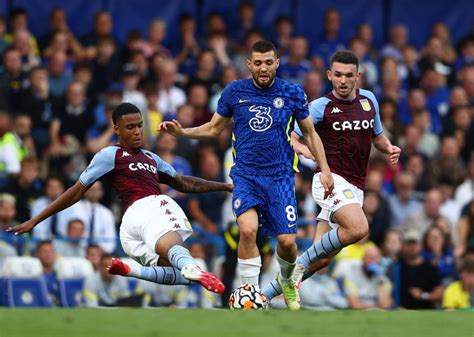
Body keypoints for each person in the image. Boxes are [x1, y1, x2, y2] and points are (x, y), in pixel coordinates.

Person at [159, 40, 334, 310]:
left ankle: (287, 280)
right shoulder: (234, 92)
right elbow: (213, 128)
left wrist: (324, 169)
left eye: (268, 62)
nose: (263, 68)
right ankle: (248, 293)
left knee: (287, 242)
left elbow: (310, 133)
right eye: (258, 63)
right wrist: (183, 132)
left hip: (280, 177)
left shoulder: (292, 92)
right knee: (248, 230)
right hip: (246, 175)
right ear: (249, 64)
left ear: (277, 63)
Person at [6, 102, 232, 295]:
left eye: (140, 126)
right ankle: (192, 266)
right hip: (147, 207)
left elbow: (184, 183)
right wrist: (36, 220)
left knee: (181, 274)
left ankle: (131, 269)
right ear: (116, 129)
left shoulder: (151, 158)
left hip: (131, 231)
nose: (137, 132)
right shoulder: (110, 155)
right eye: (130, 127)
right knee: (183, 257)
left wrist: (223, 186)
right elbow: (76, 191)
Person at [262, 50, 401, 307]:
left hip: (355, 186)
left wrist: (389, 147)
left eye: (349, 75)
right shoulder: (319, 107)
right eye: (338, 75)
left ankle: (264, 297)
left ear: (358, 76)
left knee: (323, 259)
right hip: (329, 180)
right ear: (330, 75)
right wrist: (300, 147)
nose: (343, 81)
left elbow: (377, 137)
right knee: (359, 228)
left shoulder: (369, 101)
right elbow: (289, 132)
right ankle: (297, 268)